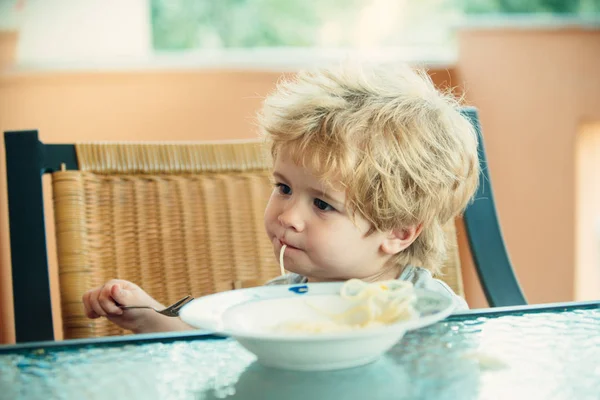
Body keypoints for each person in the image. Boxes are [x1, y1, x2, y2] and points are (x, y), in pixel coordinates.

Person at [82, 62, 479, 334]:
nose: (288, 216)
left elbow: (459, 376)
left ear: (398, 231)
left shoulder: (429, 312)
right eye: (283, 188)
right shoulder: (280, 299)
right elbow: (213, 344)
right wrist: (151, 317)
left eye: (322, 204)